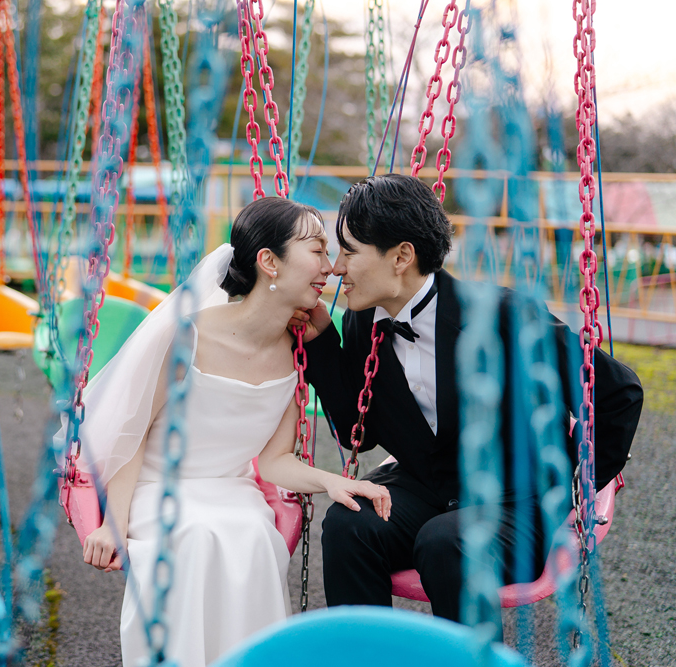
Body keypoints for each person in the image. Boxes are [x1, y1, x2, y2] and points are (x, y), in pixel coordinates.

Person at [291, 173, 644, 623]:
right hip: (430, 489)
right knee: (348, 525)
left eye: (349, 251)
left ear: (401, 256)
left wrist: (575, 482)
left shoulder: (502, 316)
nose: (337, 268)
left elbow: (617, 393)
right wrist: (321, 346)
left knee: (447, 541)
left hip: (514, 501)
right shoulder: (365, 325)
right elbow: (357, 435)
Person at [74, 197, 392, 666]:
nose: (331, 267)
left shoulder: (294, 352)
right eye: (318, 250)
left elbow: (273, 461)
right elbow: (132, 438)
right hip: (160, 487)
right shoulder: (186, 337)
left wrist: (330, 481)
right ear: (269, 262)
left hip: (233, 491)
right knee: (196, 537)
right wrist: (110, 526)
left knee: (252, 536)